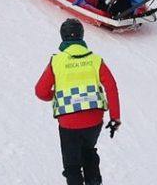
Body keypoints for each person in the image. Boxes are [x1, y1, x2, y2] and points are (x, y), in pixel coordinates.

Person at [35, 18, 121, 185]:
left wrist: (56, 95)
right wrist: (115, 117)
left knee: (72, 165)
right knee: (89, 152)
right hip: (94, 120)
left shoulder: (57, 61)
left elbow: (40, 91)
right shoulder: (96, 60)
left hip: (69, 123)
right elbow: (111, 87)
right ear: (82, 36)